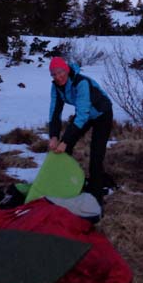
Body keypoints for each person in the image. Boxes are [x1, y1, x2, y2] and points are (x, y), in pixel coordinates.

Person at [48, 56, 113, 205]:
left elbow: (82, 114)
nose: (58, 77)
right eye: (54, 74)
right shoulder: (56, 87)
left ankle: (96, 196)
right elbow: (55, 112)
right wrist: (54, 136)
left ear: (66, 69)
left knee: (96, 155)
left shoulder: (81, 82)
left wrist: (65, 140)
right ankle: (66, 182)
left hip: (102, 114)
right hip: (84, 114)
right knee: (65, 148)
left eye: (60, 72)